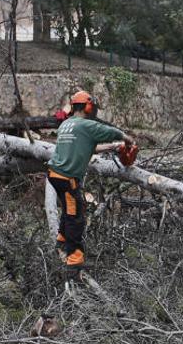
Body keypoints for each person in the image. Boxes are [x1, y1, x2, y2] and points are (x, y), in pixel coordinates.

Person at [47, 91, 134, 273]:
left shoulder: (67, 124)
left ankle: (62, 240)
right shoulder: (86, 125)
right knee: (75, 216)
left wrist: (111, 147)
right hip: (66, 178)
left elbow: (89, 146)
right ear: (88, 106)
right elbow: (109, 131)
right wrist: (125, 138)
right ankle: (74, 259)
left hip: (55, 175)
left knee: (69, 208)